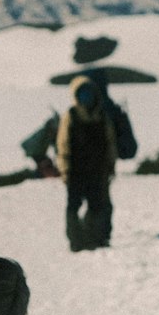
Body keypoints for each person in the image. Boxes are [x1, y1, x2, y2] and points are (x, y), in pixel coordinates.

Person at [55, 74, 118, 251]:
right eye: (82, 94)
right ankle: (77, 241)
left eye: (88, 93)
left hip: (97, 170)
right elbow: (63, 145)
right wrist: (65, 169)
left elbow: (110, 142)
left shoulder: (101, 115)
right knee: (74, 207)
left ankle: (95, 238)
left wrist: (111, 165)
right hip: (76, 170)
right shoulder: (71, 116)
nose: (86, 98)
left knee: (97, 205)